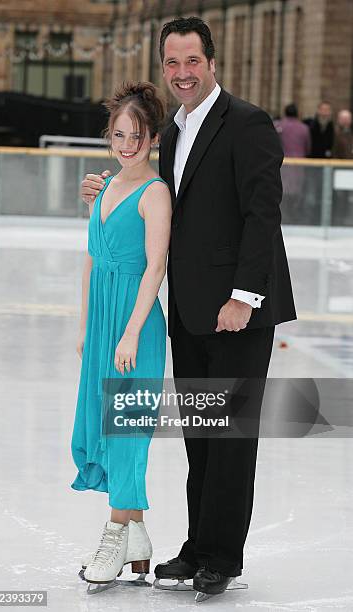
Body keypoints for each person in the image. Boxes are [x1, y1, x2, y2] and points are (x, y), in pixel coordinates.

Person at [80, 16, 296, 601]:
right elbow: (156, 196)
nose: (181, 73)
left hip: (238, 311)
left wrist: (244, 297)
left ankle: (221, 557)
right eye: (171, 63)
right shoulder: (171, 132)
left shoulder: (248, 123)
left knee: (229, 439)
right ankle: (198, 546)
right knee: (201, 438)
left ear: (212, 63)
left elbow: (262, 215)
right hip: (190, 312)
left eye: (192, 62)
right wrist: (105, 188)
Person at [71, 81, 172, 591]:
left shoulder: (156, 194)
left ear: (152, 137)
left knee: (128, 431)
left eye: (136, 135)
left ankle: (116, 535)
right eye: (118, 134)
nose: (126, 143)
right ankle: (137, 540)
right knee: (109, 429)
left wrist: (130, 333)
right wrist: (88, 326)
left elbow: (155, 268)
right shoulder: (106, 186)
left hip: (137, 327)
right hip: (104, 323)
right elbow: (91, 259)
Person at [275, 103, 311, 223]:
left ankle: (285, 216)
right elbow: (308, 147)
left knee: (284, 190)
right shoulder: (304, 128)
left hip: (283, 163)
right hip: (299, 165)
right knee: (297, 190)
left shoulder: (279, 125)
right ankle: (294, 215)